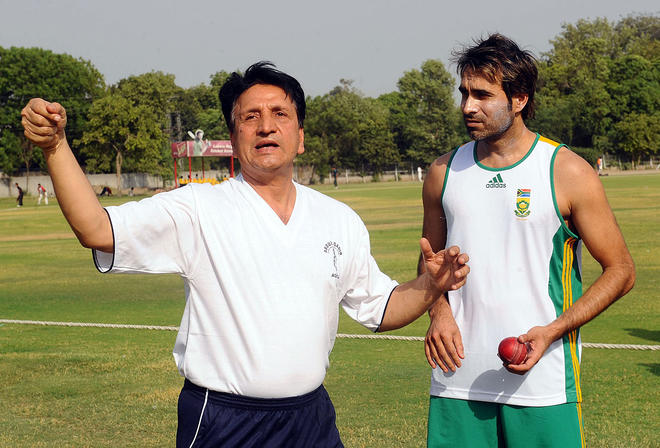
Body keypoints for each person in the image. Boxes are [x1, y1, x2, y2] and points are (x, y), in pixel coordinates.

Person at [21, 61, 469, 448]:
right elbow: (96, 229)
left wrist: (431, 286)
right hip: (224, 421)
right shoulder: (198, 209)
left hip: (311, 418)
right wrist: (55, 147)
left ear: (300, 137)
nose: (266, 126)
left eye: (280, 114)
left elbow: (382, 308)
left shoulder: (339, 219)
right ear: (234, 139)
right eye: (250, 117)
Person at [420, 35, 635, 447]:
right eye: (464, 93)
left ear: (519, 99)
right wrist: (438, 312)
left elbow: (621, 270)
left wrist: (553, 331)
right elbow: (430, 264)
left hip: (543, 382)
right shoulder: (442, 172)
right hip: (456, 378)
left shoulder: (566, 170)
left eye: (483, 95)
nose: (467, 106)